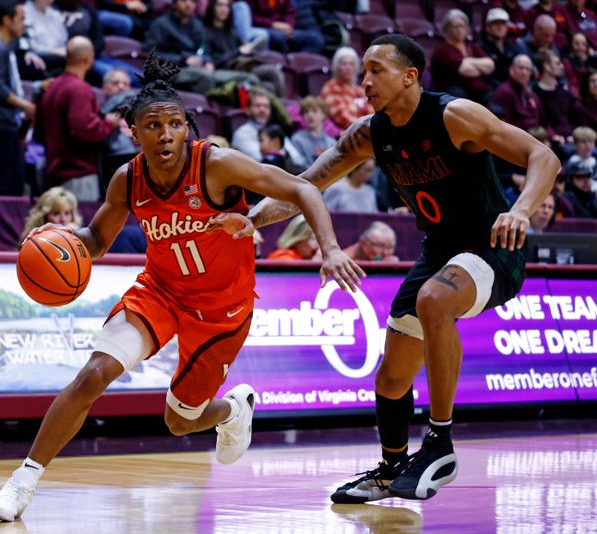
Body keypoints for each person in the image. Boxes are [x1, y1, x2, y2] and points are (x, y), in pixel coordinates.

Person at [0, 52, 346, 522]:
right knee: (93, 374)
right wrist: (59, 244)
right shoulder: (128, 179)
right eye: (153, 126)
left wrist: (331, 248)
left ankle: (232, 411)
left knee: (179, 421)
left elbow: (303, 189)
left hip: (222, 310)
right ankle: (22, 483)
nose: (166, 134)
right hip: (159, 292)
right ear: (135, 133)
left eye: (175, 124)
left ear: (187, 128)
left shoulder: (217, 164)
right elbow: (95, 241)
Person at [217, 33, 559, 502]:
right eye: (363, 71)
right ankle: (391, 467)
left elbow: (543, 155)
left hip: (493, 246)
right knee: (392, 377)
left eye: (377, 70)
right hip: (439, 251)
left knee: (434, 299)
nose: (366, 81)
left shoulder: (454, 115)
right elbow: (304, 186)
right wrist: (252, 218)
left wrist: (520, 209)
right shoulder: (369, 133)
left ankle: (439, 443)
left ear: (409, 76)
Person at [38, 36, 120, 199]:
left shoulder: (50, 87)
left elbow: (39, 132)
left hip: (52, 172)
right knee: (79, 224)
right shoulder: (80, 89)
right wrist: (108, 123)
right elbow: (84, 129)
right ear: (88, 60)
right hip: (78, 174)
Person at [0, 0, 36, 196]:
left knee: (14, 185)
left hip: (3, 124)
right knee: (2, 188)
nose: (24, 23)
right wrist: (24, 105)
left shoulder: (3, 45)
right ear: (6, 20)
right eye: (21, 18)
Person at [431, 9, 494, 104]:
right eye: (456, 26)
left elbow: (490, 65)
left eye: (462, 26)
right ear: (447, 28)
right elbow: (465, 70)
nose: (460, 29)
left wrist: (468, 60)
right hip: (455, 93)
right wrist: (480, 68)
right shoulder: (443, 49)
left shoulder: (471, 46)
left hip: (478, 92)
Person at [321, 46, 373, 130]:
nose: (348, 67)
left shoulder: (360, 90)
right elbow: (341, 116)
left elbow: (373, 111)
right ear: (337, 67)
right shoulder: (330, 88)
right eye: (344, 63)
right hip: (346, 135)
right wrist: (367, 128)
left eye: (351, 64)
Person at [18, 185, 82, 245]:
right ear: (44, 216)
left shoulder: (78, 233)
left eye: (67, 213)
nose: (63, 219)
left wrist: (78, 234)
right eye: (56, 213)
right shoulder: (30, 238)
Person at [290, 96, 336, 171]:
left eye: (314, 111)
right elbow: (299, 167)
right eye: (306, 112)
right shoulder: (297, 139)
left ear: (323, 114)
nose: (310, 115)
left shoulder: (332, 143)